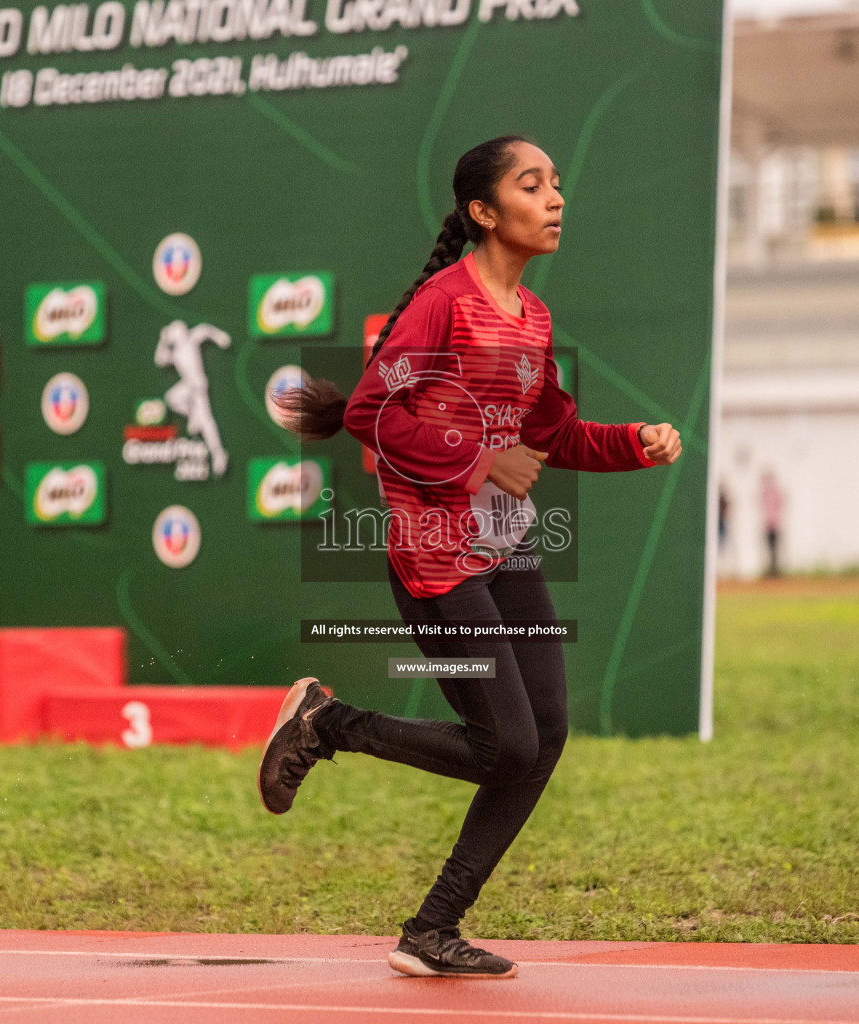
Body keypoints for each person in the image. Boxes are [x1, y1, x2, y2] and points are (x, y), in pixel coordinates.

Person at [259, 136, 681, 979]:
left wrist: (632, 442)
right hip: (435, 561)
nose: (556, 199)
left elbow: (552, 433)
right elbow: (371, 415)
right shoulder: (445, 306)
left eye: (558, 184)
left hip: (504, 550)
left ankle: (432, 930)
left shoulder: (533, 318)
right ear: (484, 213)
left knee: (544, 736)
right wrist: (484, 458)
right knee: (507, 749)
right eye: (533, 186)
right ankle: (328, 723)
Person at [760, 469, 784, 578]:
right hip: (768, 525)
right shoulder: (765, 493)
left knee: (775, 549)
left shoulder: (775, 492)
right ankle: (771, 570)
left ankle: (775, 570)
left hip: (775, 524)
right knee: (769, 548)